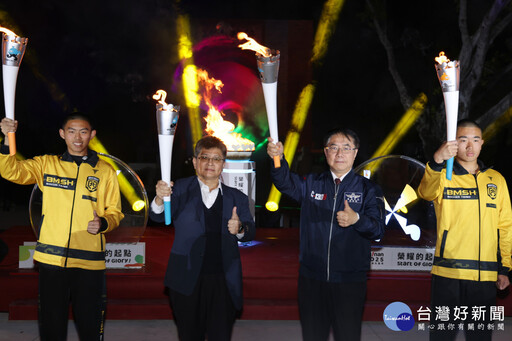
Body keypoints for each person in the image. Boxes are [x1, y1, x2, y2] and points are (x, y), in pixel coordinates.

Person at [0, 114, 124, 341]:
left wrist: (103, 223)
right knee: (51, 323)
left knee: (90, 323)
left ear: (92, 135)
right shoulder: (47, 164)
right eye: (71, 131)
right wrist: (8, 139)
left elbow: (115, 211)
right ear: (62, 134)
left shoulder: (105, 170)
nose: (78, 137)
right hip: (51, 258)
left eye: (84, 131)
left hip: (90, 260)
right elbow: (11, 172)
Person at [267, 128, 385, 341]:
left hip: (350, 281)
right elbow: (284, 182)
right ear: (325, 152)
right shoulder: (311, 183)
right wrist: (277, 158)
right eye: (334, 148)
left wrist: (356, 219)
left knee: (347, 335)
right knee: (313, 335)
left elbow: (378, 229)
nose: (340, 154)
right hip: (312, 278)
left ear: (355, 153)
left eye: (346, 148)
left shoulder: (368, 189)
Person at [150, 135, 255, 341]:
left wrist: (240, 227)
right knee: (189, 335)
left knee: (220, 335)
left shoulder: (237, 197)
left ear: (223, 164)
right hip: (186, 278)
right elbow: (158, 216)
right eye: (204, 157)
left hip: (223, 280)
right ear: (195, 162)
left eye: (216, 159)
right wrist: (160, 198)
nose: (210, 163)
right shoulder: (178, 189)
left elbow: (250, 232)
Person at [418, 119, 512, 340]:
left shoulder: (496, 180)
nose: (470, 147)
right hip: (448, 272)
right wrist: (437, 161)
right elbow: (425, 192)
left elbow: (505, 226)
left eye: (475, 140)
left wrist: (505, 268)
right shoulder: (443, 176)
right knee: (442, 333)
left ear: (482, 143)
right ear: (453, 143)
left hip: (486, 275)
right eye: (463, 140)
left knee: (480, 335)